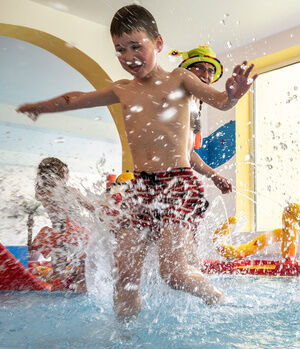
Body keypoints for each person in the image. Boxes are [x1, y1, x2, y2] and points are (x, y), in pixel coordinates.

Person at [17, 5, 257, 318]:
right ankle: (125, 340)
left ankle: (219, 299)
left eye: (136, 46)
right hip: (140, 187)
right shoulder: (123, 89)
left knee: (174, 273)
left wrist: (234, 96)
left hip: (179, 183)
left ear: (157, 43)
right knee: (125, 277)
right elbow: (74, 98)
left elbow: (221, 101)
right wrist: (41, 107)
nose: (128, 56)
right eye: (119, 49)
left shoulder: (180, 79)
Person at [172, 44, 232, 194]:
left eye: (210, 70)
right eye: (199, 68)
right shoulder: (175, 98)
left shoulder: (194, 106)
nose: (206, 74)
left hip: (178, 177)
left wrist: (214, 176)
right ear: (187, 72)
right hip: (159, 177)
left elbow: (187, 152)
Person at [30, 157, 94, 292]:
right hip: (74, 233)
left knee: (58, 275)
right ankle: (80, 289)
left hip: (55, 235)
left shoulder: (41, 193)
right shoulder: (71, 191)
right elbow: (92, 208)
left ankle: (60, 289)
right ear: (61, 174)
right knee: (82, 270)